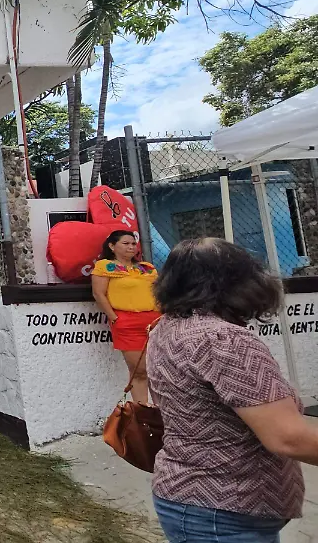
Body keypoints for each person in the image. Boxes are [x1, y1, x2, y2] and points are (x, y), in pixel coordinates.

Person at [148, 238, 318, 543]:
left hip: (194, 501)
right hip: (221, 512)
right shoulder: (222, 340)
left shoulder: (169, 326)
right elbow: (288, 437)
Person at [90, 230, 160, 405]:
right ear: (112, 246)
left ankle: (163, 413)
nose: (131, 247)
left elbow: (159, 291)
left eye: (133, 244)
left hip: (155, 322)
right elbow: (99, 294)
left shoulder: (147, 268)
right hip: (128, 323)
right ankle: (144, 414)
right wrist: (114, 318)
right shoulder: (105, 266)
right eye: (125, 243)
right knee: (139, 370)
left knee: (158, 370)